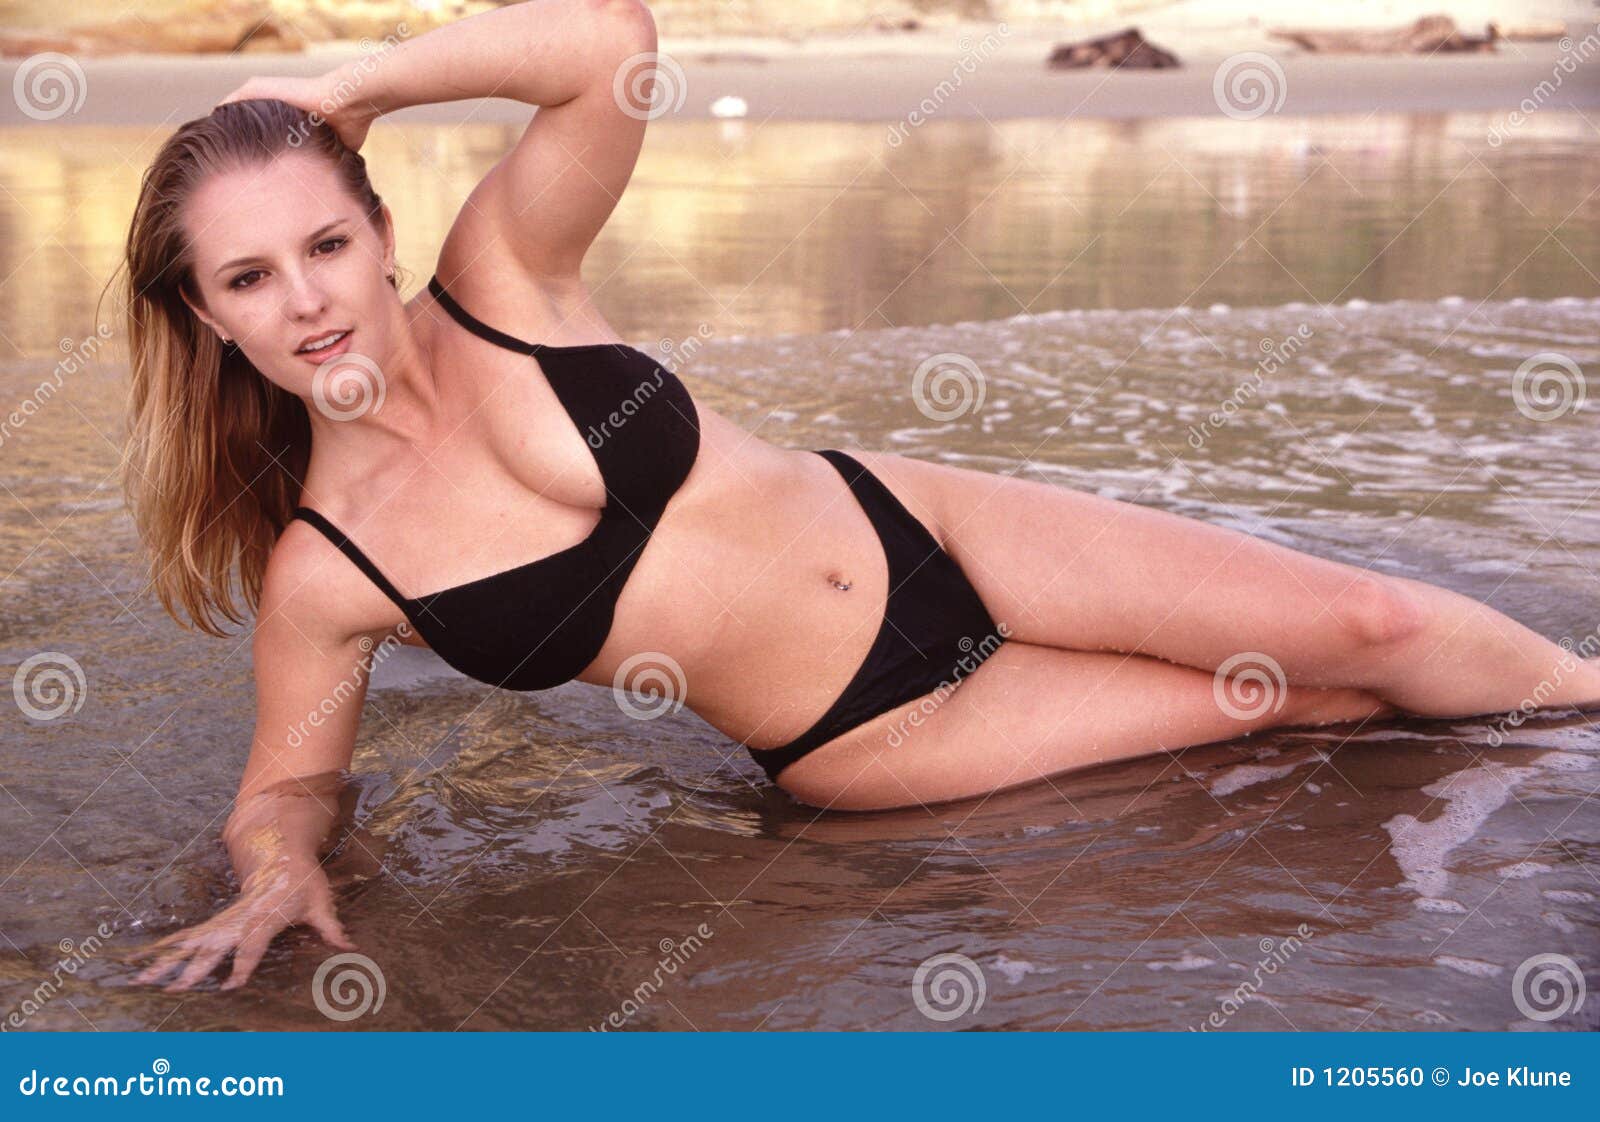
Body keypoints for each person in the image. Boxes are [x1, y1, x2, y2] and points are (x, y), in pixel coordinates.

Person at [121, 0, 1600, 992]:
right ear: (207, 318)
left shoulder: (507, 276)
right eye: (249, 276)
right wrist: (271, 875)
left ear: (379, 228)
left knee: (1369, 620)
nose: (306, 299)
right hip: (882, 730)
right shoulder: (330, 568)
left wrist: (345, 83)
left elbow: (611, 42)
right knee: (1304, 710)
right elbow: (287, 781)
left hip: (924, 521)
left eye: (324, 243)